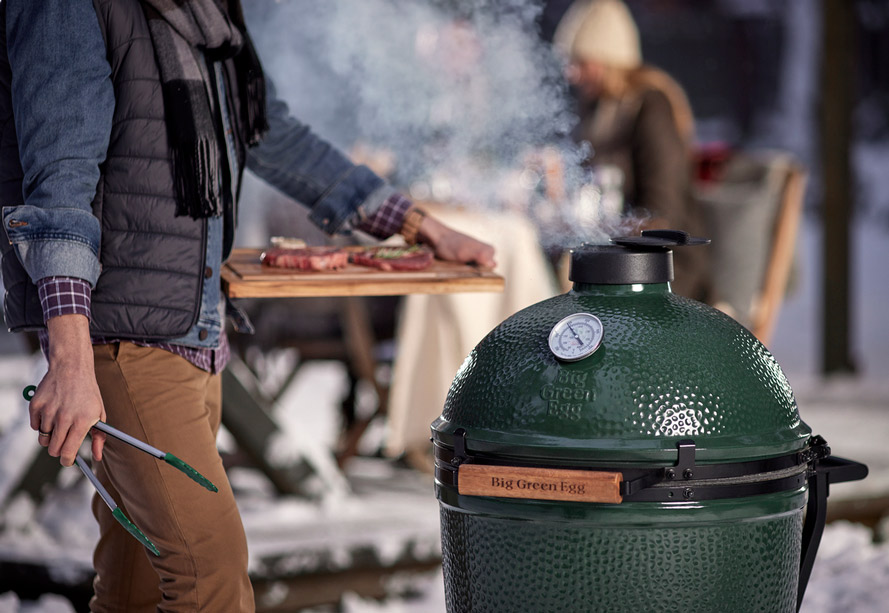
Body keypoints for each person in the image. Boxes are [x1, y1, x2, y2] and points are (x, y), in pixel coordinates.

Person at [0, 1, 494, 611]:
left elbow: (271, 130)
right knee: (210, 576)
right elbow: (59, 185)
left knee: (137, 587)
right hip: (122, 341)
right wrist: (70, 357)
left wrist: (413, 223)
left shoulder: (209, 12)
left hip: (196, 330)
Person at [554, 0, 711, 301]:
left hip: (660, 272)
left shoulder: (650, 106)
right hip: (613, 264)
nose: (571, 74)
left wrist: (600, 228)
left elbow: (662, 213)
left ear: (608, 58)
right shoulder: (595, 111)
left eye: (582, 63)